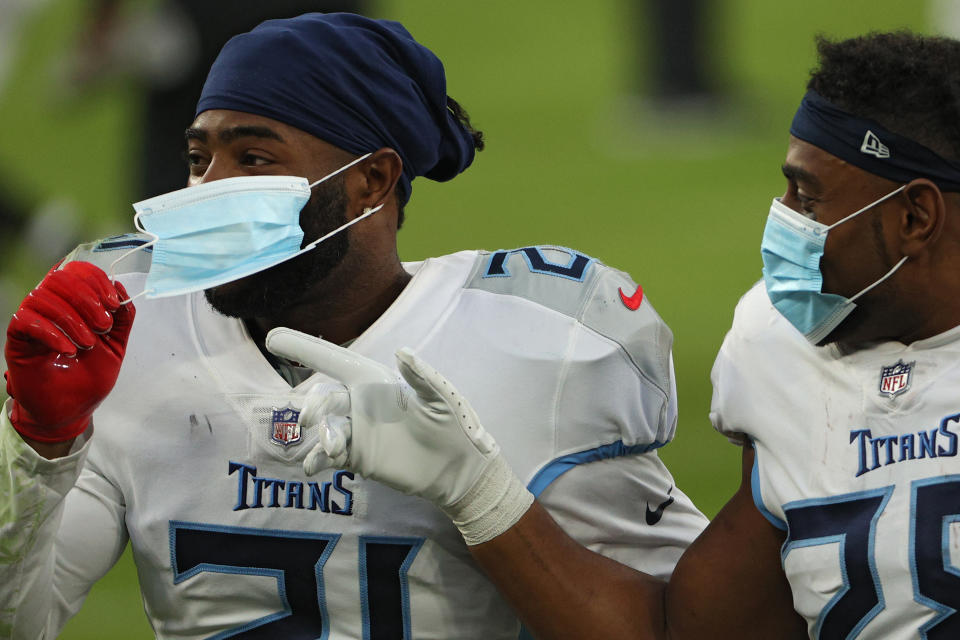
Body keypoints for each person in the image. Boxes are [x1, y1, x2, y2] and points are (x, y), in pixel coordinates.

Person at [0, 13, 708, 638]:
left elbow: (680, 624)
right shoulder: (136, 325)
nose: (208, 190)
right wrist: (38, 443)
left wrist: (482, 496)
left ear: (371, 181)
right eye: (197, 158)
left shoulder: (535, 343)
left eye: (252, 158)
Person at [263, 30, 960, 639]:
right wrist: (475, 486)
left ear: (916, 217)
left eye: (807, 198)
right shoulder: (773, 347)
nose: (783, 221)